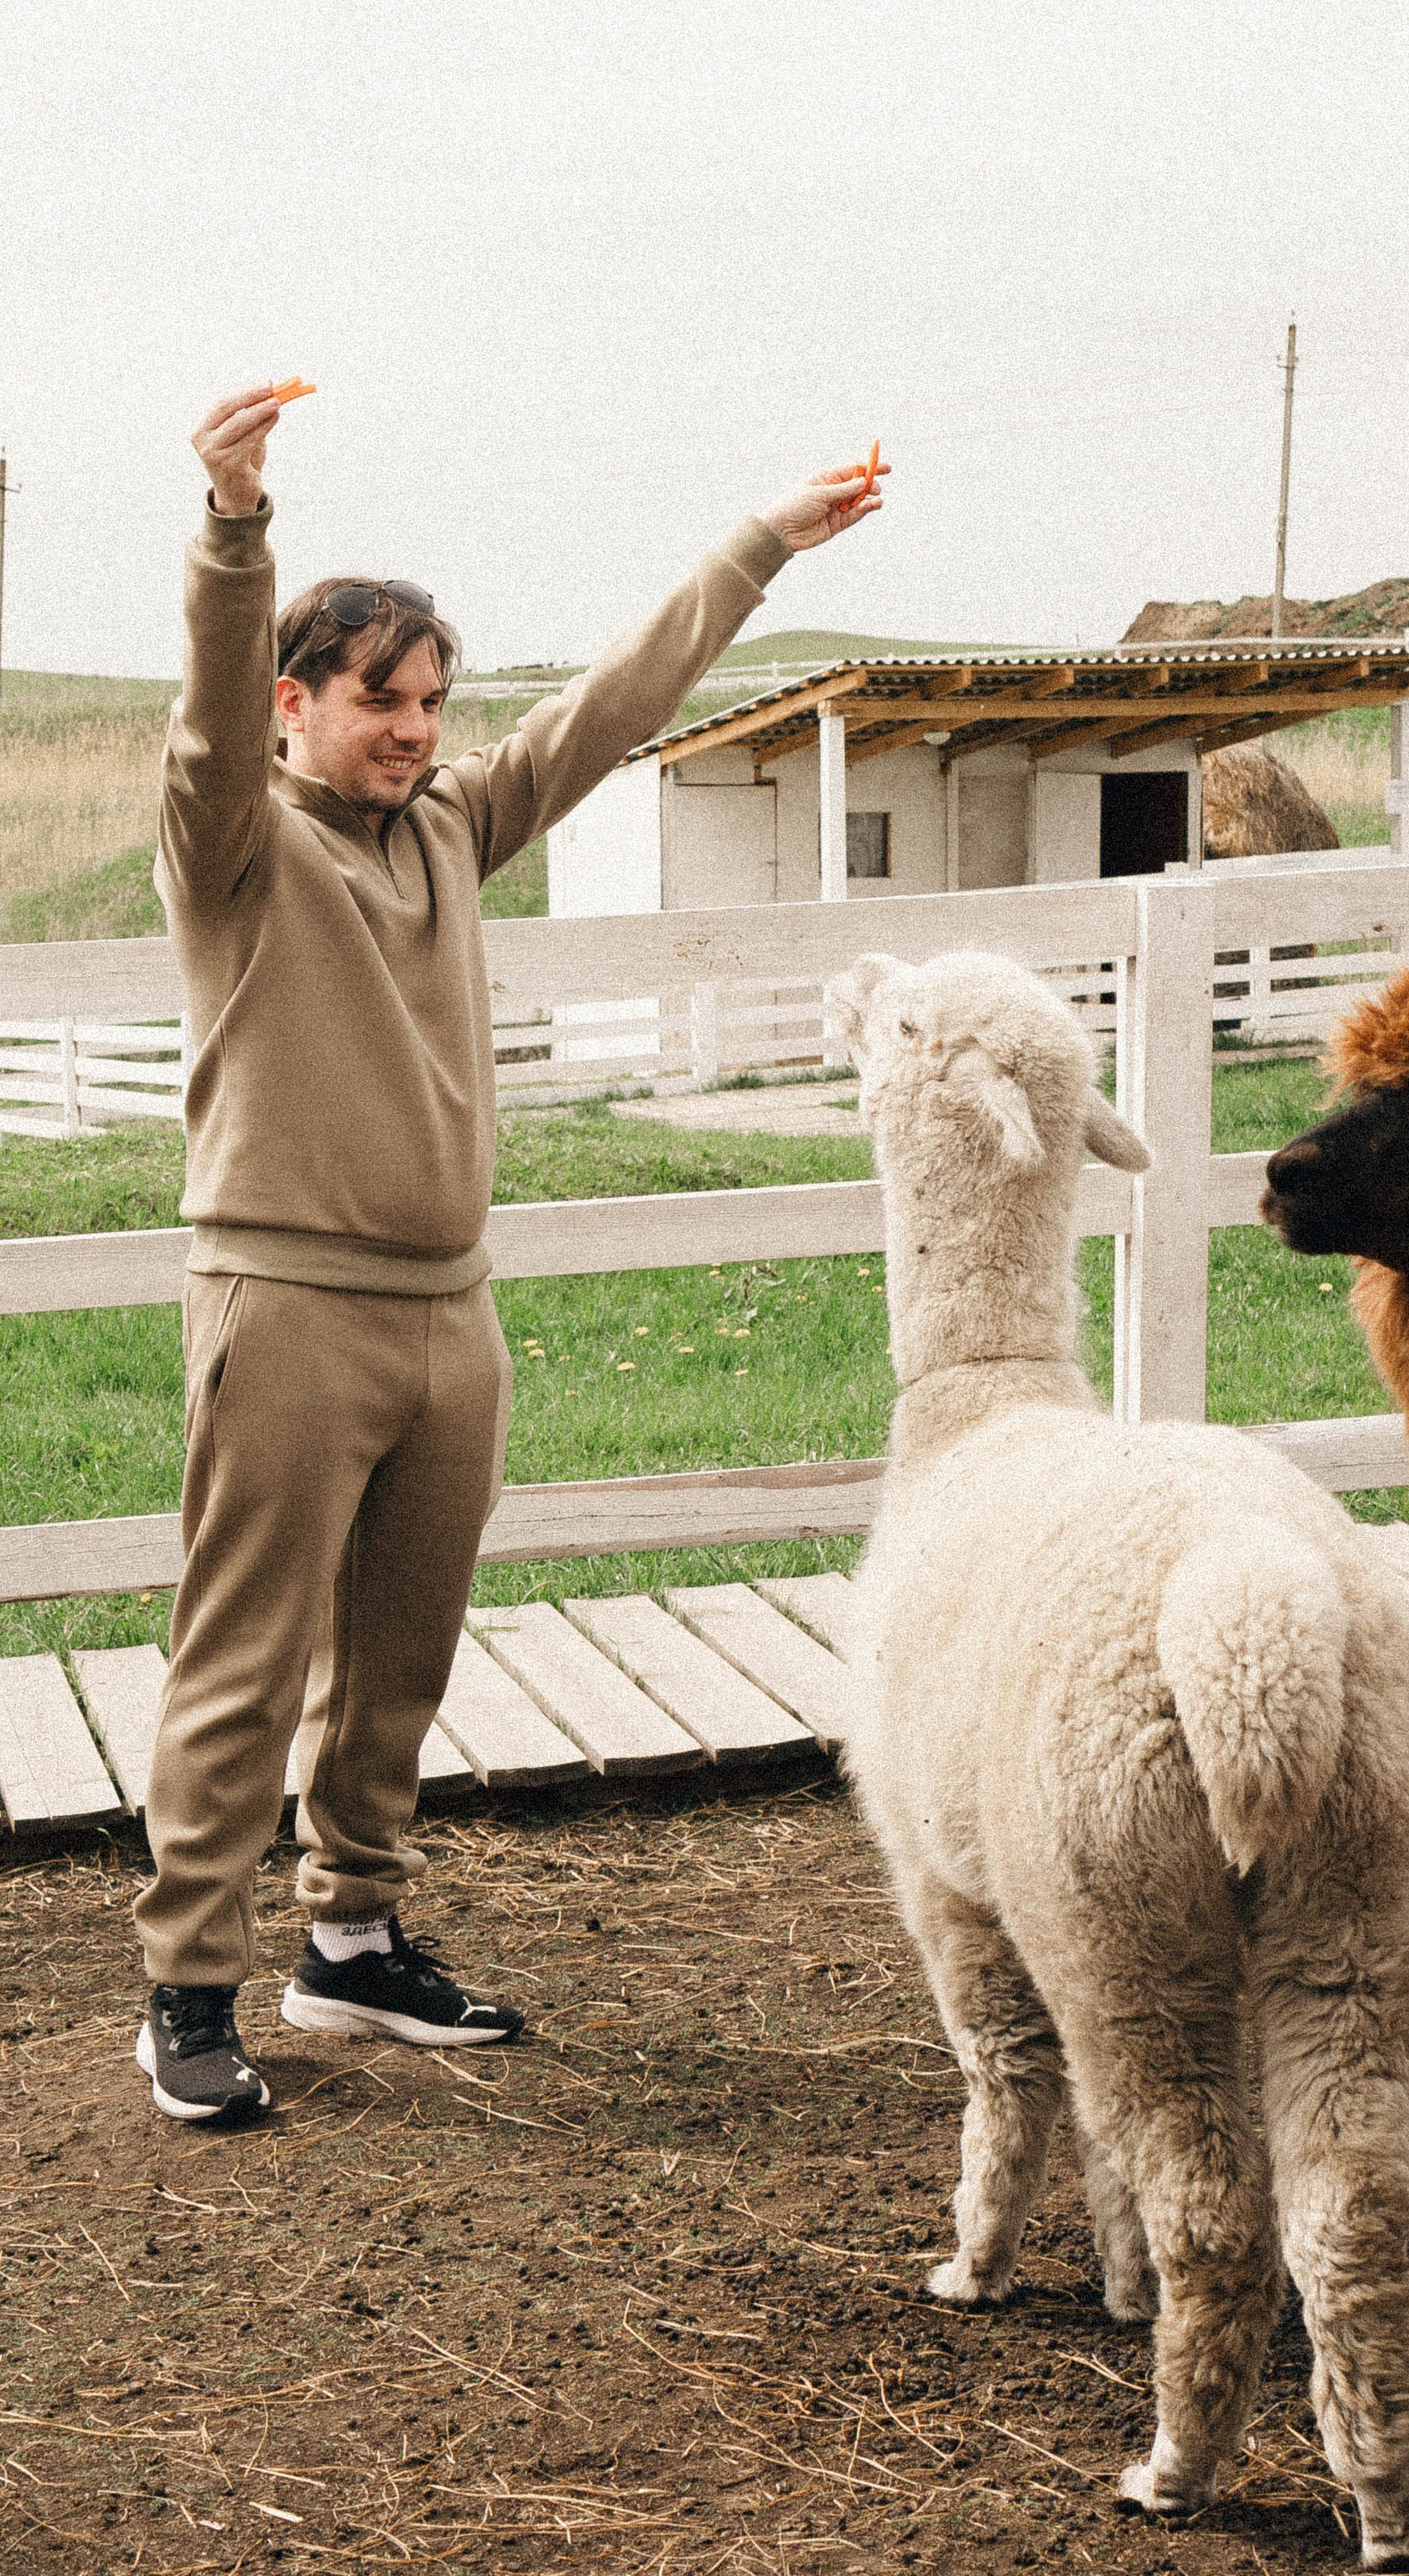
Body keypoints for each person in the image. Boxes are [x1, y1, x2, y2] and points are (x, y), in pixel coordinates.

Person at [132, 381, 888, 2122]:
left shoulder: (455, 830)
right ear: (290, 705)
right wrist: (235, 527)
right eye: (375, 702)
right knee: (241, 1660)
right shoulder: (234, 850)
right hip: (287, 1310)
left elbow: (610, 704)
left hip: (446, 1317)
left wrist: (758, 547)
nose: (409, 731)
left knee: (401, 1659)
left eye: (427, 703)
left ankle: (351, 1942)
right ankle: (187, 1987)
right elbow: (197, 714)